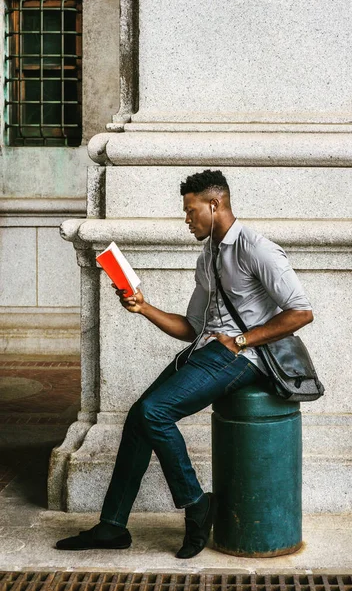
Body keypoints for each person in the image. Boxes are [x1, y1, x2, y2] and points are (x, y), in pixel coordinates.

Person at [56, 169, 314, 558]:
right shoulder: (207, 254)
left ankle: (195, 504)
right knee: (139, 418)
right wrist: (143, 307)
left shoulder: (256, 248)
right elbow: (192, 327)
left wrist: (240, 340)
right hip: (208, 351)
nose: (187, 219)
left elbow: (301, 312)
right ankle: (112, 526)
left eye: (191, 211)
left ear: (215, 205)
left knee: (153, 411)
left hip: (244, 357)